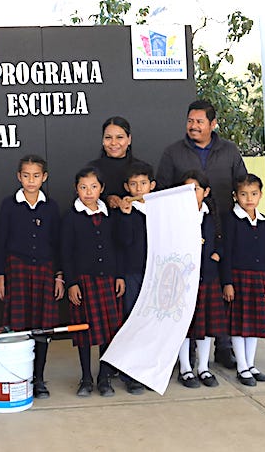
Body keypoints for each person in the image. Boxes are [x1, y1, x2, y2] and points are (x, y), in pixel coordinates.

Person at [156, 99, 246, 368]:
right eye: (190, 121)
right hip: (186, 230)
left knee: (221, 288)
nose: (193, 126)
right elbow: (161, 189)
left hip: (224, 227)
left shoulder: (230, 151)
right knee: (187, 292)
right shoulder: (173, 153)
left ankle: (224, 347)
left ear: (213, 124)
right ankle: (185, 354)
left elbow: (242, 184)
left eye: (199, 122)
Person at [0, 155, 63, 399]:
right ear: (18, 176)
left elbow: (57, 244)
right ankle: (18, 376)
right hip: (17, 269)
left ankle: (39, 379)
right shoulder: (9, 205)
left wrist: (59, 276)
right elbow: (0, 241)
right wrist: (0, 276)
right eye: (26, 175)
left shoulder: (51, 206)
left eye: (36, 176)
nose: (31, 181)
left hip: (44, 270)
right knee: (18, 327)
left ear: (44, 177)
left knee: (42, 328)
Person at [63, 167, 123, 397]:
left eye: (94, 187)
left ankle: (104, 376)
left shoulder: (110, 216)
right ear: (76, 189)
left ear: (102, 189)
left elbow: (117, 249)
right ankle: (86, 377)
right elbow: (66, 253)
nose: (88, 192)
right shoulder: (70, 218)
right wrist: (72, 283)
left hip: (107, 280)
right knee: (85, 332)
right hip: (84, 282)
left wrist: (118, 275)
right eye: (83, 187)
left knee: (108, 332)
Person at [176, 170, 229, 389]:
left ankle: (203, 367)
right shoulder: (177, 215)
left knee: (206, 326)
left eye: (195, 189)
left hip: (208, 277)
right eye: (186, 189)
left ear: (205, 192)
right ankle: (185, 368)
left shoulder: (210, 215)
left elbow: (222, 240)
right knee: (184, 327)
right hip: (185, 280)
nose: (191, 194)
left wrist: (216, 253)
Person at [221, 174, 265, 387]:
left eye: (253, 194)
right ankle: (241, 366)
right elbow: (226, 253)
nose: (249, 199)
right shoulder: (231, 220)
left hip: (258, 278)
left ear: (260, 195)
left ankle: (250, 364)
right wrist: (227, 281)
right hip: (238, 278)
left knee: (253, 324)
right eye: (243, 194)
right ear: (235, 196)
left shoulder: (263, 221)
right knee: (238, 324)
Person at [114, 161, 157, 394]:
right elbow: (122, 243)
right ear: (126, 187)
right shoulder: (124, 212)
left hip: (156, 273)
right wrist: (125, 216)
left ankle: (148, 370)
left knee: (152, 321)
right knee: (132, 319)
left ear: (152, 185)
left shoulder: (160, 210)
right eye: (133, 184)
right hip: (132, 273)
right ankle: (130, 372)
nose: (139, 188)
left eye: (143, 183)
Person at [87, 116, 148, 209]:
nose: (113, 143)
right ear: (102, 140)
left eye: (119, 137)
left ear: (129, 139)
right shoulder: (91, 169)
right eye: (108, 137)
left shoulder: (143, 168)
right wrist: (106, 199)